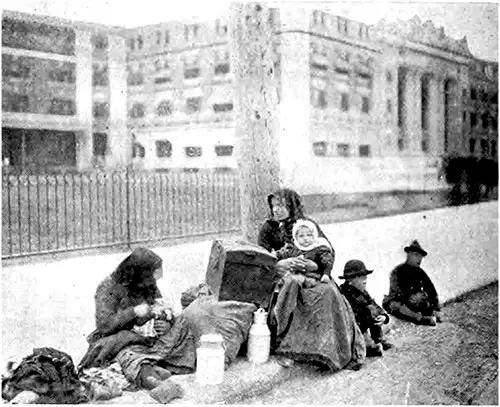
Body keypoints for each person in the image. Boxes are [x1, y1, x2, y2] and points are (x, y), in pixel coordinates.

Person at [258, 188, 366, 371]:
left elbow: (327, 250)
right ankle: (287, 347)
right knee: (290, 291)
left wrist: (314, 266)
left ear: (292, 207)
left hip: (313, 275)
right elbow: (261, 257)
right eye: (274, 206)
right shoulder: (268, 228)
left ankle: (326, 351)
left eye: (281, 206)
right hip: (283, 277)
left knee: (328, 292)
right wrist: (282, 264)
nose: (276, 210)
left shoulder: (307, 225)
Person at [79, 248, 196, 390]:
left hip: (148, 338)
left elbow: (160, 306)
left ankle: (155, 365)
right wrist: (134, 311)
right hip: (122, 339)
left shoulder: (145, 282)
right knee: (125, 353)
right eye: (154, 275)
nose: (155, 281)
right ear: (141, 273)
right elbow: (105, 325)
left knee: (182, 322)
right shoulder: (107, 287)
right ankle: (150, 375)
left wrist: (166, 321)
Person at [339, 260, 393, 357]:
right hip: (353, 329)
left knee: (372, 309)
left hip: (363, 324)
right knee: (363, 346)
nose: (365, 280)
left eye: (365, 276)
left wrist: (384, 316)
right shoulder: (343, 294)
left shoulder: (363, 292)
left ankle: (379, 339)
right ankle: (369, 346)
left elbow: (373, 304)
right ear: (349, 280)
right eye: (360, 277)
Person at [383, 240, 443, 326]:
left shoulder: (420, 272)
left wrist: (435, 306)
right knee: (395, 305)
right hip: (401, 303)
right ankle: (423, 319)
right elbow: (396, 292)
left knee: (426, 304)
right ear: (408, 255)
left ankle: (427, 316)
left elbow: (431, 290)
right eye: (416, 255)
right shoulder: (397, 271)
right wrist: (411, 297)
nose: (419, 259)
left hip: (415, 304)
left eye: (421, 256)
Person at [274, 219, 333, 285]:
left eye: (309, 235)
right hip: (294, 274)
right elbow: (283, 254)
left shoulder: (319, 249)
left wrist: (326, 275)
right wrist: (275, 255)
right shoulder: (294, 248)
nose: (305, 238)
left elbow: (327, 262)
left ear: (314, 235)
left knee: (294, 281)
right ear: (296, 238)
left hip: (312, 276)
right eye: (301, 236)